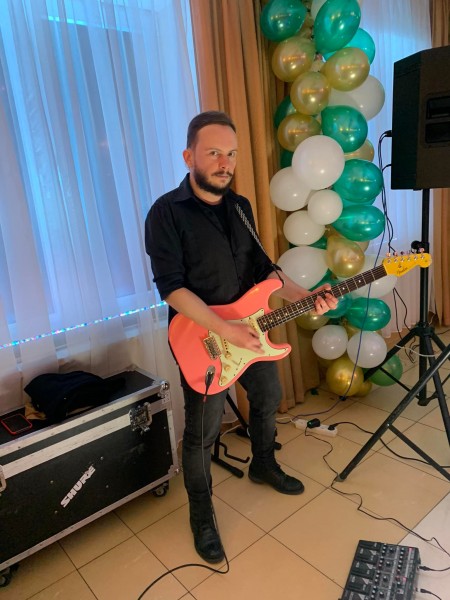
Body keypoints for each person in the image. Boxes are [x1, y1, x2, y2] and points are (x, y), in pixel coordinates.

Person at [145, 111, 337, 564]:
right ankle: (201, 514)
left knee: (268, 394)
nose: (224, 163)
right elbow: (171, 288)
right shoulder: (165, 212)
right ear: (189, 156)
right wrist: (225, 328)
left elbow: (264, 271)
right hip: (201, 338)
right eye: (213, 152)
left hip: (250, 331)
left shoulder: (240, 207)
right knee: (203, 431)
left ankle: (263, 464)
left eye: (231, 154)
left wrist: (306, 296)